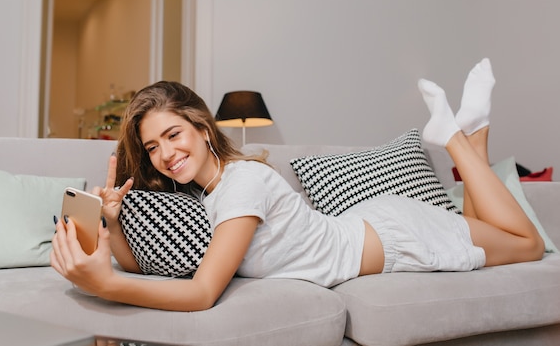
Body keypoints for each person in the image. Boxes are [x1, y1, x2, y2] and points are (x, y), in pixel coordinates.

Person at [50, 58, 545, 311]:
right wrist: (112, 223)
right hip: (373, 226)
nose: (165, 153)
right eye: (153, 147)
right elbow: (152, 268)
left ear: (203, 128)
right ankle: (475, 132)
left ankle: (453, 140)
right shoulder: (212, 192)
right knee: (478, 229)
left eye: (172, 134)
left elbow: (202, 293)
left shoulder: (241, 183)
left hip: (398, 239)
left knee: (527, 246)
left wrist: (109, 286)